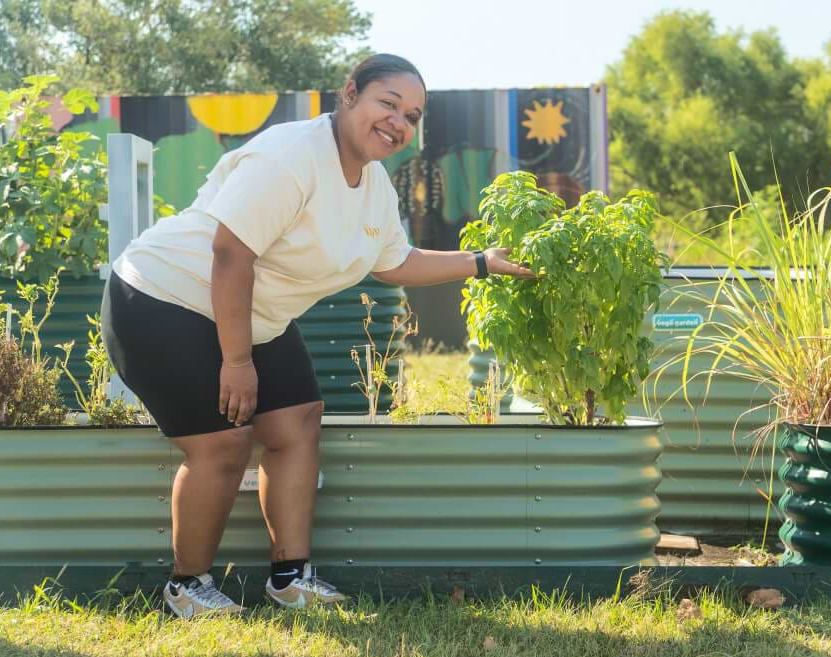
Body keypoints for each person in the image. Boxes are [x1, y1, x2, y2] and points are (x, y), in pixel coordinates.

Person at [101, 54, 532, 619]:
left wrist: (480, 261)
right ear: (349, 93)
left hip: (249, 311)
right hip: (164, 296)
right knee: (224, 443)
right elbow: (231, 254)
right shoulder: (291, 156)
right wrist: (236, 362)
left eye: (412, 115)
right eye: (388, 103)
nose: (399, 122)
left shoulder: (374, 184)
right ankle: (187, 587)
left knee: (297, 421)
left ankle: (289, 578)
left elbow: (395, 261)